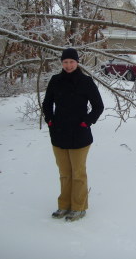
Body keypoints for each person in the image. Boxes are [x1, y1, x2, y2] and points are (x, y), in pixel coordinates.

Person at [42, 47, 104, 221]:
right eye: (65, 62)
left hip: (80, 134)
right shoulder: (55, 81)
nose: (68, 65)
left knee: (78, 173)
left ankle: (78, 207)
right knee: (64, 173)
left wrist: (86, 122)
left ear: (77, 62)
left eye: (71, 62)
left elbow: (98, 106)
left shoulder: (86, 82)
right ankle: (64, 205)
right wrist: (50, 121)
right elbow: (47, 104)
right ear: (61, 63)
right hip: (59, 134)